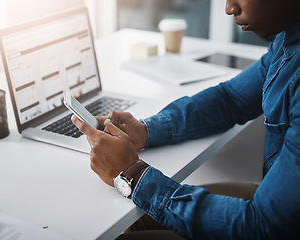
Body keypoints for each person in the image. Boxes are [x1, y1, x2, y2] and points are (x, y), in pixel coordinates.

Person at [72, 0, 300, 239]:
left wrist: (132, 173)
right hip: (272, 208)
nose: (229, 8)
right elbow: (231, 99)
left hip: (267, 224)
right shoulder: (287, 39)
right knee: (135, 218)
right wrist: (147, 130)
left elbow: (263, 226)